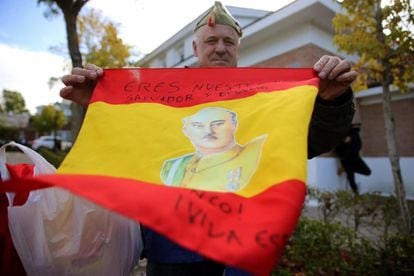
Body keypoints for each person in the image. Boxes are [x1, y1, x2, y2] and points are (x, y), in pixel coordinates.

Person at [60, 2, 357, 275]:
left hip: (242, 246)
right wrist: (100, 105)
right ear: (194, 46)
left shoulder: (267, 96)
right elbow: (130, 149)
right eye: (211, 41)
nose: (220, 48)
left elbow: (310, 141)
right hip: (171, 249)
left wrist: (332, 102)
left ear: (238, 48)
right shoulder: (159, 97)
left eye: (229, 41)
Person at [160, 107, 266, 192]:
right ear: (186, 131)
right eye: (198, 126)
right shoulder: (173, 167)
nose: (208, 131)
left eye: (218, 124)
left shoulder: (257, 151)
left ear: (234, 125)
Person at [335, 124, 371, 194]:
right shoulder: (341, 134)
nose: (357, 126)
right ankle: (356, 194)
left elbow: (358, 145)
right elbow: (337, 147)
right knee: (351, 179)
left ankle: (346, 169)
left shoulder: (355, 134)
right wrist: (343, 142)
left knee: (367, 171)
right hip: (345, 159)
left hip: (355, 157)